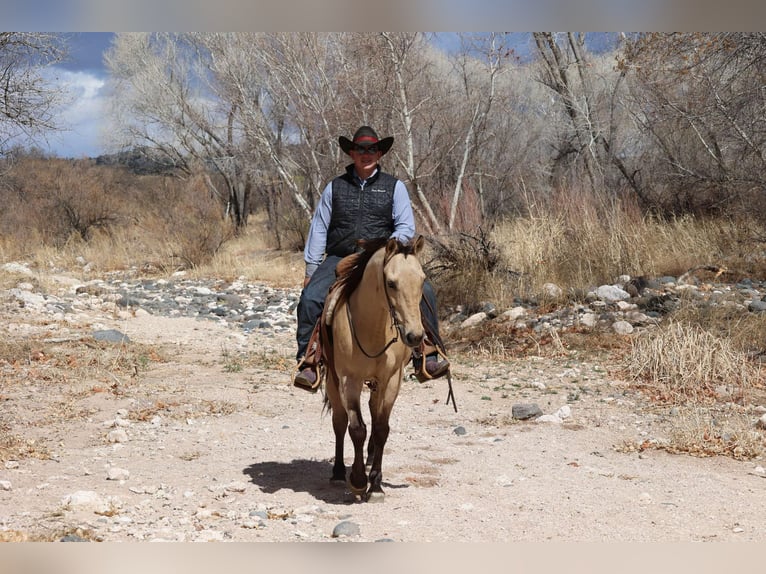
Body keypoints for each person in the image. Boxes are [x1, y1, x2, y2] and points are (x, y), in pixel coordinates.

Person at [293, 125, 450, 392]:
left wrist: (389, 247)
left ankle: (427, 352)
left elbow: (405, 227)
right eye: (361, 150)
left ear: (379, 153)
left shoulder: (394, 187)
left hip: (382, 258)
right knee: (310, 300)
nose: (367, 154)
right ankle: (309, 360)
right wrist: (311, 268)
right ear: (352, 153)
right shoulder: (335, 187)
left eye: (372, 149)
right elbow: (319, 227)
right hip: (340, 255)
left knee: (424, 291)